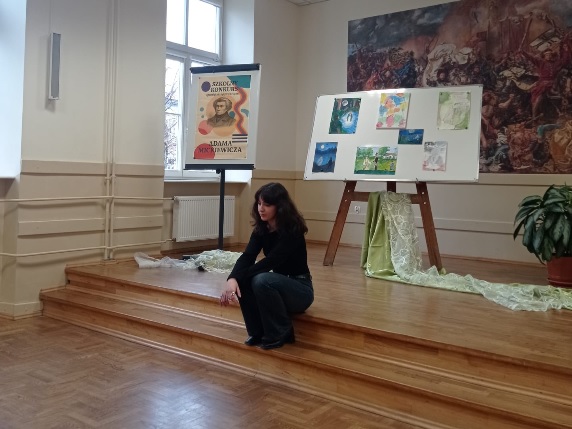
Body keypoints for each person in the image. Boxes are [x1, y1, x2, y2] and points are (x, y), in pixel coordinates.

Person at [219, 183, 314, 350]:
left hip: (300, 290)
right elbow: (248, 256)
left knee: (261, 279)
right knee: (247, 279)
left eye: (267, 204)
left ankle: (281, 332)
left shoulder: (293, 230)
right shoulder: (262, 229)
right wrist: (232, 279)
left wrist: (239, 277)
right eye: (259, 203)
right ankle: (257, 332)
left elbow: (271, 261)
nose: (261, 209)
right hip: (278, 287)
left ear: (280, 207)